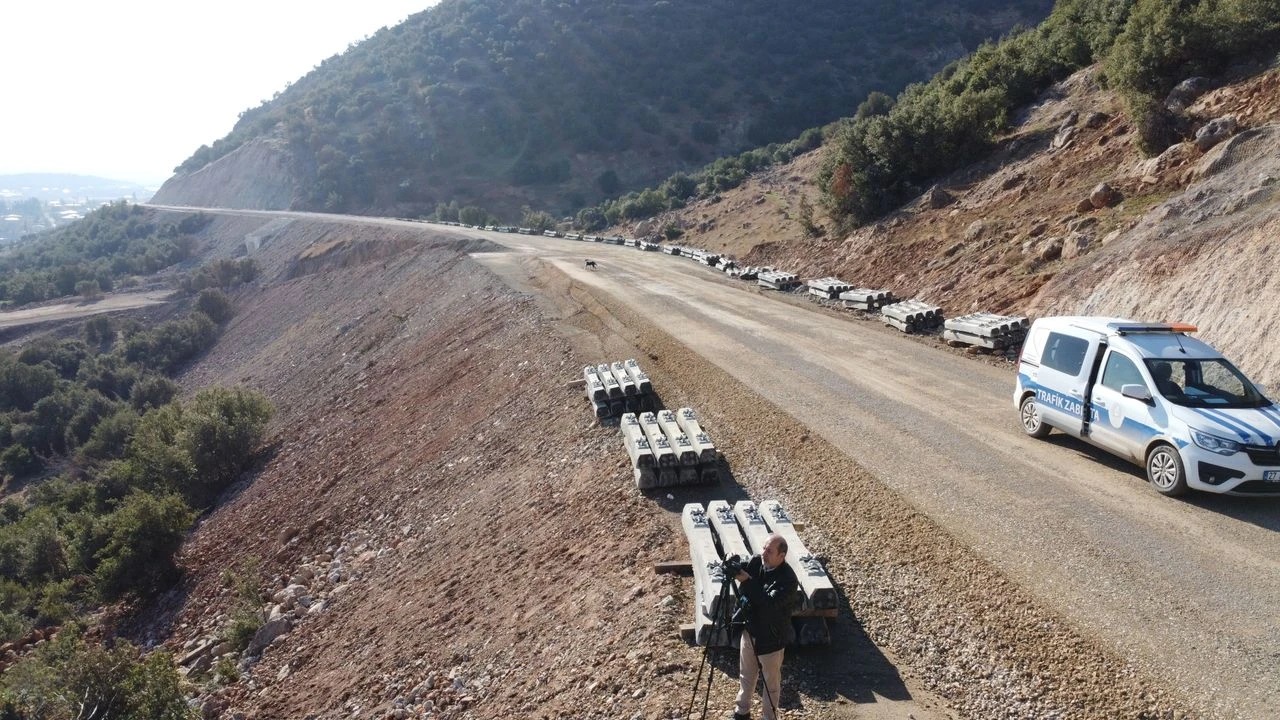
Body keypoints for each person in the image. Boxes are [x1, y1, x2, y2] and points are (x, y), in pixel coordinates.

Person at [732, 533, 799, 720]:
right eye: (763, 548)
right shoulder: (756, 562)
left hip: (771, 638)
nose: (764, 553)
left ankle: (769, 717)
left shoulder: (788, 580)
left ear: (781, 556)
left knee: (771, 684)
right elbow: (742, 569)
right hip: (750, 630)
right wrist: (731, 562)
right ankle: (742, 711)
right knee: (746, 675)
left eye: (769, 551)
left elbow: (769, 605)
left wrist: (747, 581)